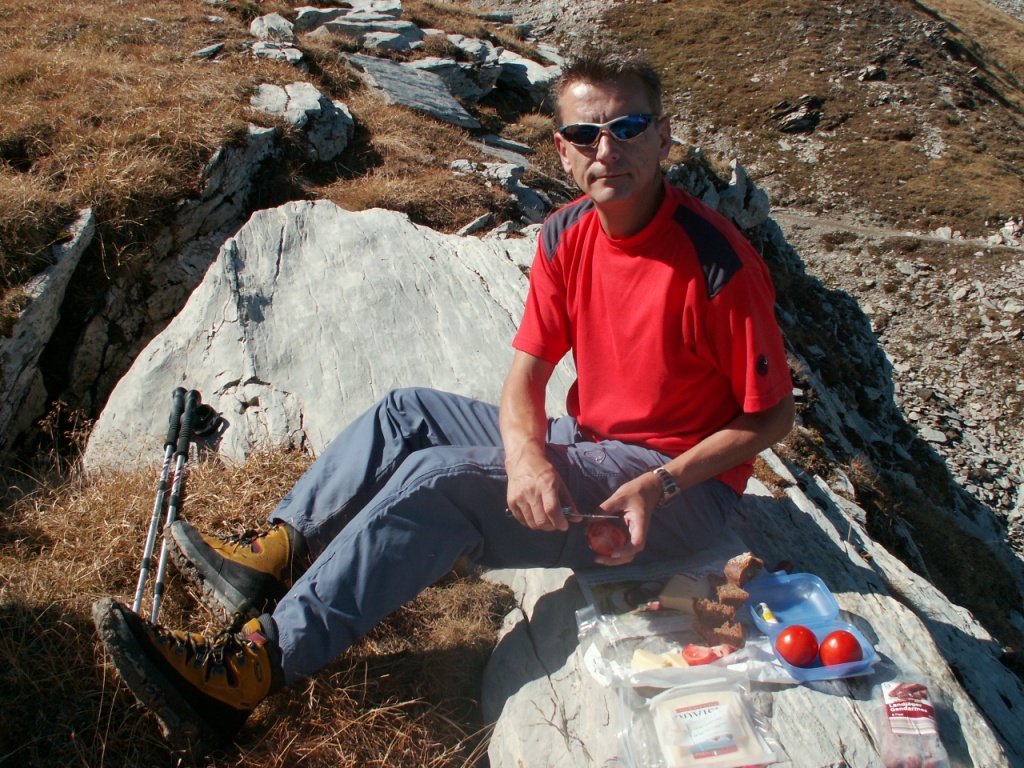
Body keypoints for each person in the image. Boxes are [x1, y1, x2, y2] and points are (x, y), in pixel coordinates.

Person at [92, 51, 795, 756]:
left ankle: (250, 671)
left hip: (674, 488)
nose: (606, 150)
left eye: (628, 127)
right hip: (591, 439)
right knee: (406, 413)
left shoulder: (717, 263)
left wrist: (662, 482)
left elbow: (772, 415)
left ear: (663, 137)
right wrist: (527, 458)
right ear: (562, 149)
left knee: (442, 484)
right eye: (586, 134)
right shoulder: (566, 232)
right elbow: (525, 375)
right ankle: (272, 556)